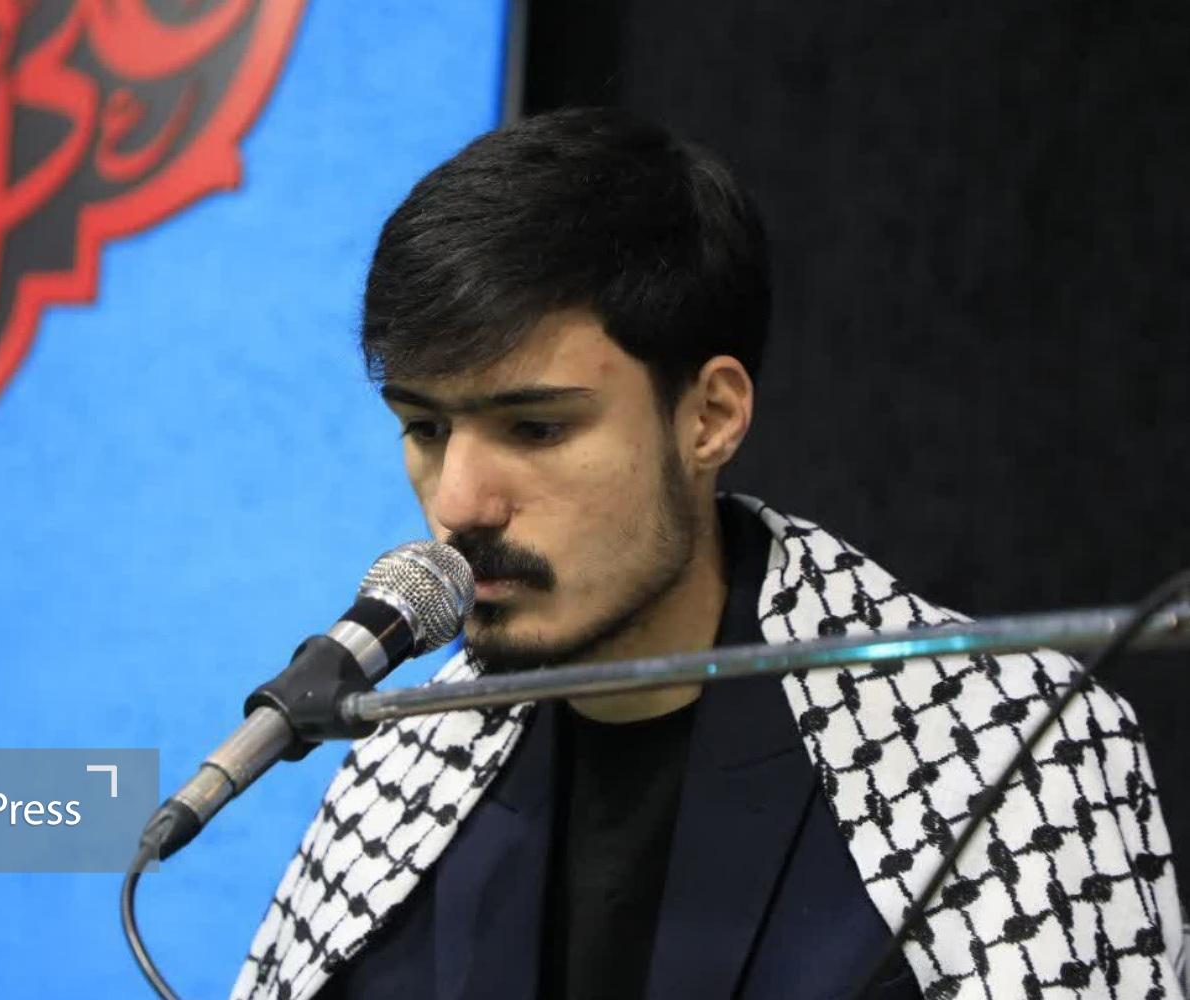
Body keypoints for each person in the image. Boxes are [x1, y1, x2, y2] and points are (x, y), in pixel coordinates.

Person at [230, 108, 1184, 1000]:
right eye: (426, 429)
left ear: (711, 417)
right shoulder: (402, 770)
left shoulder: (1008, 749)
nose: (457, 504)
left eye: (535, 427)